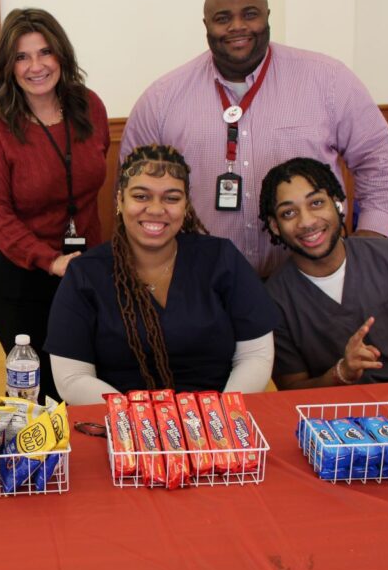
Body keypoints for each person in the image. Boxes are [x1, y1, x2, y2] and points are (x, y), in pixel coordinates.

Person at [120, 0, 388, 276]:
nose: (237, 26)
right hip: (203, 282)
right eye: (223, 18)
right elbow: (129, 186)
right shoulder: (162, 99)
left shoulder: (328, 80)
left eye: (250, 14)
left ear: (268, 17)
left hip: (310, 280)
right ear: (206, 25)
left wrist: (372, 235)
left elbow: (377, 160)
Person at [44, 145, 278, 403]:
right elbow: (72, 378)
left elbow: (255, 355)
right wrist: (138, 421)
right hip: (118, 423)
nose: (156, 209)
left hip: (218, 423)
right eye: (141, 196)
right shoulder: (84, 275)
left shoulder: (221, 259)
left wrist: (219, 414)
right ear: (120, 200)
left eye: (171, 198)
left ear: (186, 204)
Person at [0, 7, 110, 402]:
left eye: (45, 52)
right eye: (22, 57)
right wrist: (50, 260)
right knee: (42, 387)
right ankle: (39, 459)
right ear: (8, 66)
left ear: (61, 55)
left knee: (88, 375)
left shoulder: (90, 107)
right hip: (18, 277)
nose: (36, 66)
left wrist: (92, 261)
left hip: (83, 268)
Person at [259, 158, 388, 389]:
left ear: (336, 203)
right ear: (275, 226)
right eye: (288, 213)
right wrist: (340, 373)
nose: (307, 222)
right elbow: (292, 388)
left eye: (316, 203)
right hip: (333, 417)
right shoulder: (274, 298)